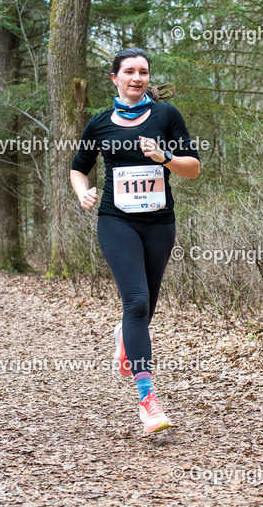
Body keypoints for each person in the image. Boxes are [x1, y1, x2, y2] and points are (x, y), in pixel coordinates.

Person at [70, 48, 201, 434]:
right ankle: (148, 402)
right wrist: (82, 193)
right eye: (129, 71)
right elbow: (78, 169)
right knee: (137, 302)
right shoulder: (99, 124)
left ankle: (123, 336)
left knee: (145, 310)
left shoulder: (166, 115)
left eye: (143, 72)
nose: (137, 77)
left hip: (159, 223)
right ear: (114, 78)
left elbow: (193, 169)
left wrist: (164, 158)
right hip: (116, 221)